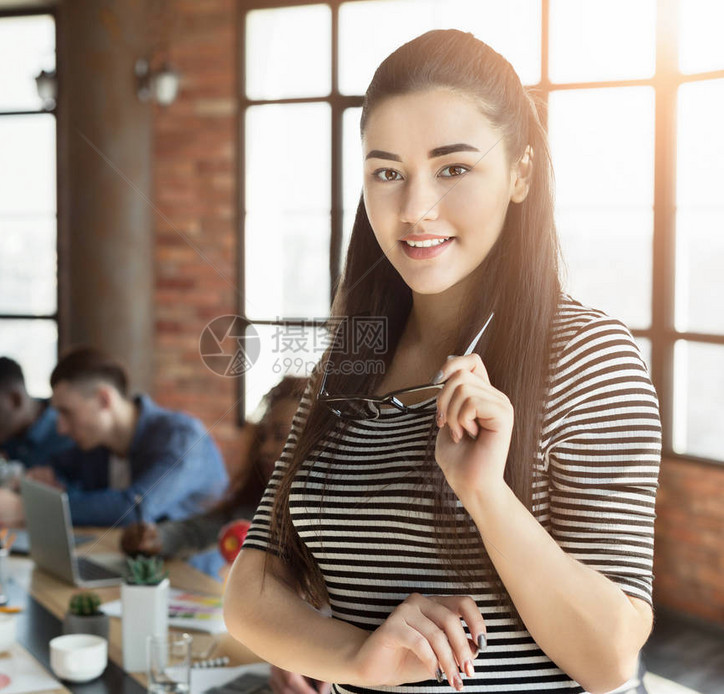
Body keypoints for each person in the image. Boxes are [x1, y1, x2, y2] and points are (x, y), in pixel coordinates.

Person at [224, 30, 660, 694]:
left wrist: (486, 493)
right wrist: (357, 659)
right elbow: (252, 588)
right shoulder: (351, 360)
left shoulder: (588, 355)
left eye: (453, 168)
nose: (414, 209)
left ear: (520, 173)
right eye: (387, 172)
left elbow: (609, 659)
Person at [0, 347, 229, 528]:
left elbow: (134, 508)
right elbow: (57, 468)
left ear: (104, 399)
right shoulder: (97, 446)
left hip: (192, 582)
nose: (61, 428)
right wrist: (41, 479)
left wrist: (28, 510)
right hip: (128, 567)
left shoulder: (182, 438)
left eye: (67, 413)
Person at [119, 375, 306, 563]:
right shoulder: (260, 504)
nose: (265, 449)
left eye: (281, 436)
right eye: (263, 437)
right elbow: (200, 531)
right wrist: (156, 537)